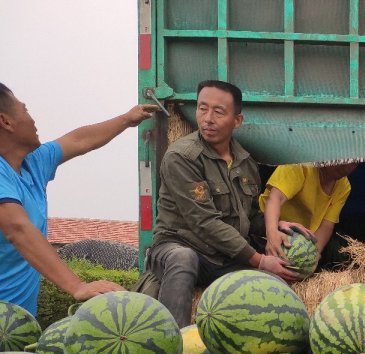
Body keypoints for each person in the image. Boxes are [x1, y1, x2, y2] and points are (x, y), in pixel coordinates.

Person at [144, 80, 298, 327]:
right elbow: (204, 222)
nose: (207, 118)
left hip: (223, 258)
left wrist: (275, 226)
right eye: (202, 109)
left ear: (237, 120)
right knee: (183, 258)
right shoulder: (181, 157)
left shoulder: (246, 163)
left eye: (218, 111)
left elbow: (248, 216)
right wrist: (259, 260)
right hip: (179, 245)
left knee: (274, 285)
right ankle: (173, 342)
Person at [0, 83, 156, 316]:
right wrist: (77, 286)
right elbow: (17, 228)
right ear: (6, 121)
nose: (33, 120)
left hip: (16, 325)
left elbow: (80, 140)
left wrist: (127, 119)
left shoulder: (33, 162)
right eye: (25, 110)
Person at [259, 162, 358, 260]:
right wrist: (272, 235)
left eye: (355, 163)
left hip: (300, 237)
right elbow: (275, 198)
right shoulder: (300, 164)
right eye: (343, 162)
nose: (347, 168)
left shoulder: (344, 186)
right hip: (265, 224)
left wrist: (314, 254)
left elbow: (327, 225)